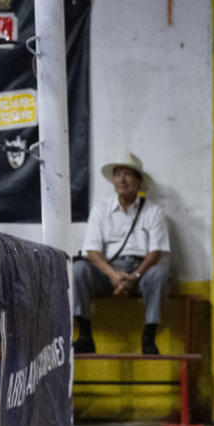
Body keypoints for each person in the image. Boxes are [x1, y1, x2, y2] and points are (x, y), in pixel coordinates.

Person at [72, 152, 171, 355]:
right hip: (108, 272)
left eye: (128, 174)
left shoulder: (154, 211)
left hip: (141, 271)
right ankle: (84, 336)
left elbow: (155, 253)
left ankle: (149, 337)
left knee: (160, 274)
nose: (121, 180)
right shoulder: (101, 210)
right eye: (118, 175)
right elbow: (92, 251)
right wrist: (114, 275)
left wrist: (134, 277)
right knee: (78, 269)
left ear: (139, 181)